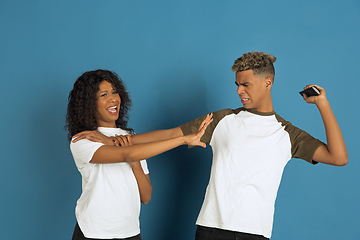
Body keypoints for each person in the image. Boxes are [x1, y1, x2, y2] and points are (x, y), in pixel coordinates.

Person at [74, 52, 348, 240]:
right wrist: (111, 139)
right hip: (210, 229)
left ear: (268, 83)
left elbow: (338, 157)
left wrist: (322, 105)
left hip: (255, 232)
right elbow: (168, 133)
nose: (239, 91)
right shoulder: (221, 119)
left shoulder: (288, 134)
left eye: (246, 84)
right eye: (237, 84)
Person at [66, 69, 213, 240]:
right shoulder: (84, 140)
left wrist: (136, 163)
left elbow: (146, 196)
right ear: (89, 103)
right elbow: (126, 154)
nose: (113, 98)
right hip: (93, 233)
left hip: (130, 233)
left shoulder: (133, 141)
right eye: (104, 95)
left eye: (114, 92)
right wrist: (183, 140)